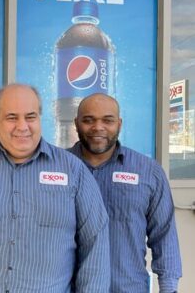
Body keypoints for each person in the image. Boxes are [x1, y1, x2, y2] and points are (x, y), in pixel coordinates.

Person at [0, 83, 110, 292]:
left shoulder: (73, 171)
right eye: (12, 117)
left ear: (40, 118)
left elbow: (95, 244)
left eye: (30, 117)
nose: (22, 126)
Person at [69, 93, 182, 293]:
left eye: (108, 120)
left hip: (127, 287)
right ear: (76, 123)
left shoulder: (148, 171)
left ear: (119, 124)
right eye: (88, 120)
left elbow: (164, 235)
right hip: (68, 287)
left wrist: (169, 288)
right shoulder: (59, 168)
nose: (98, 127)